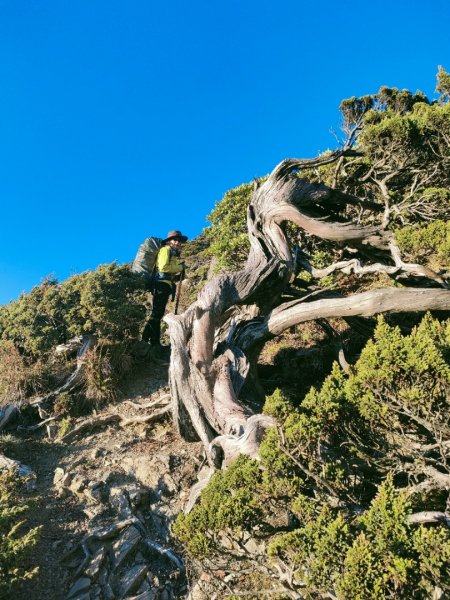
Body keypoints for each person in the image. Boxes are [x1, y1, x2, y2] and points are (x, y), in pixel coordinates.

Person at [141, 230, 187, 354]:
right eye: (175, 240)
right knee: (156, 313)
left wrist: (178, 270)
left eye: (179, 240)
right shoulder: (165, 250)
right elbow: (163, 267)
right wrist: (180, 268)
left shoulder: (173, 253)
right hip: (160, 284)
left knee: (158, 313)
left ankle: (149, 340)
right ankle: (150, 341)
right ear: (169, 241)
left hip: (165, 285)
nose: (177, 242)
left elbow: (169, 270)